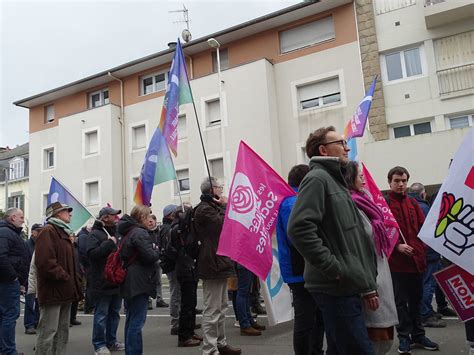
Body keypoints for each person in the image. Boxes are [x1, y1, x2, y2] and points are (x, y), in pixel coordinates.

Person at [288, 126, 378, 355]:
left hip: (346, 283)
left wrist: (365, 284)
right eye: (341, 143)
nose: (347, 147)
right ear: (323, 150)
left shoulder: (335, 180)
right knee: (359, 349)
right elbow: (299, 228)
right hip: (335, 285)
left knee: (339, 349)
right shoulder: (317, 179)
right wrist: (334, 268)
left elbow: (349, 237)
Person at [344, 161, 399, 354]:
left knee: (384, 334)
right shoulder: (350, 205)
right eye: (360, 177)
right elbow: (358, 245)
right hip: (369, 278)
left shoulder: (364, 200)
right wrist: (368, 289)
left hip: (380, 272)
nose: (364, 181)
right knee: (374, 335)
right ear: (349, 179)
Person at [386, 167, 439, 353]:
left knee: (416, 301)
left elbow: (423, 229)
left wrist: (422, 249)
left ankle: (419, 335)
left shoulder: (413, 203)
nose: (401, 184)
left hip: (417, 262)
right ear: (390, 182)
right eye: (397, 181)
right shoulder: (385, 205)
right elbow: (383, 234)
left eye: (404, 181)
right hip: (397, 265)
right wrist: (397, 246)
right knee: (400, 303)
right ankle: (404, 337)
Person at [277, 164, 325, 355]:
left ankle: (316, 351)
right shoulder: (293, 202)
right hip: (301, 271)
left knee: (317, 317)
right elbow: (299, 238)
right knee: (306, 320)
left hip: (305, 269)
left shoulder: (297, 200)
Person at [194, 177, 241, 355]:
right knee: (212, 309)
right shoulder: (204, 210)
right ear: (212, 190)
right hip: (211, 263)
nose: (222, 190)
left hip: (219, 261)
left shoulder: (211, 208)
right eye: (219, 187)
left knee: (221, 307)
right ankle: (209, 348)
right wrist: (225, 205)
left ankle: (220, 343)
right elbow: (224, 225)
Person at [35, 202, 83, 355]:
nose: (70, 213)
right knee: (48, 332)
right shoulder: (48, 231)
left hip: (64, 290)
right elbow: (45, 262)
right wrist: (65, 276)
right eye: (66, 211)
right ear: (56, 214)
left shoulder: (63, 232)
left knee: (62, 331)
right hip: (53, 291)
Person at [119, 205, 160, 355]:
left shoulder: (128, 231)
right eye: (148, 216)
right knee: (136, 321)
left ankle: (131, 351)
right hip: (138, 280)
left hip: (131, 279)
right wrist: (156, 249)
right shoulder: (139, 233)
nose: (151, 219)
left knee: (131, 320)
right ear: (142, 217)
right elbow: (150, 256)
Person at [87, 207, 125, 355]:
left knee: (114, 313)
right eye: (113, 215)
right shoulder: (95, 234)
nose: (116, 217)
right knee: (101, 315)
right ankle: (99, 344)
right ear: (104, 218)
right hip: (101, 281)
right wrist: (108, 244)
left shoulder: (116, 233)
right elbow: (91, 255)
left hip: (115, 280)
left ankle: (111, 341)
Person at [171, 206, 202, 347]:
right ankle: (184, 336)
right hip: (184, 268)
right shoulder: (177, 230)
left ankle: (190, 331)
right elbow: (188, 247)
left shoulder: (186, 229)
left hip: (190, 267)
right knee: (187, 304)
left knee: (192, 303)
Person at [0, 208, 28, 355]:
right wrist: (14, 277)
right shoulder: (6, 233)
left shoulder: (8, 233)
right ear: (12, 218)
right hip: (7, 282)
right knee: (9, 316)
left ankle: (5, 349)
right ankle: (8, 351)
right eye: (21, 217)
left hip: (7, 281)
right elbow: (2, 257)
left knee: (5, 316)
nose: (23, 220)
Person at [158, 205, 181, 335]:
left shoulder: (166, 227)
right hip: (173, 265)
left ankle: (179, 320)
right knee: (175, 293)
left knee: (177, 293)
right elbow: (170, 249)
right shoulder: (168, 229)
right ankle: (175, 322)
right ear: (171, 215)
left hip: (172, 264)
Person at [235, 263, 266, 336]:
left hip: (247, 262)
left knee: (245, 293)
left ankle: (248, 321)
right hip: (246, 262)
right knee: (243, 292)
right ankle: (245, 325)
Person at [24, 223, 42, 335]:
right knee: (30, 302)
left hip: (40, 277)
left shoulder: (41, 244)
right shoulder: (26, 245)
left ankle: (36, 321)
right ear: (33, 232)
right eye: (38, 231)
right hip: (29, 277)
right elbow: (25, 262)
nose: (41, 233)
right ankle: (29, 324)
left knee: (38, 302)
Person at [148, 214, 168, 309]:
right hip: (149, 259)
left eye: (151, 221)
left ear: (155, 221)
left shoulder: (159, 231)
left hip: (158, 258)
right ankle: (148, 300)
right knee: (148, 279)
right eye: (148, 221)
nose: (150, 223)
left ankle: (160, 299)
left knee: (158, 280)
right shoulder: (145, 232)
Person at [77, 219, 95, 314]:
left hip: (85, 266)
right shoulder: (84, 237)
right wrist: (88, 264)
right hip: (86, 266)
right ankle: (89, 307)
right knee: (89, 286)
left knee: (88, 286)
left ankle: (88, 306)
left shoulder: (83, 235)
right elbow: (84, 253)